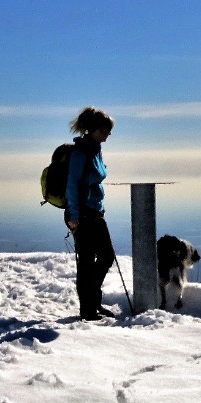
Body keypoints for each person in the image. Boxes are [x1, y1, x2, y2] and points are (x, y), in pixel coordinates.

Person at [64, 106, 116, 321]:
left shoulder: (95, 149)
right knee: (93, 259)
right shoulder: (81, 152)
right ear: (94, 129)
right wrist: (74, 216)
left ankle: (92, 303)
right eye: (105, 130)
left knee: (98, 258)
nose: (108, 134)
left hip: (93, 212)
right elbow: (72, 185)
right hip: (83, 215)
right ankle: (88, 308)